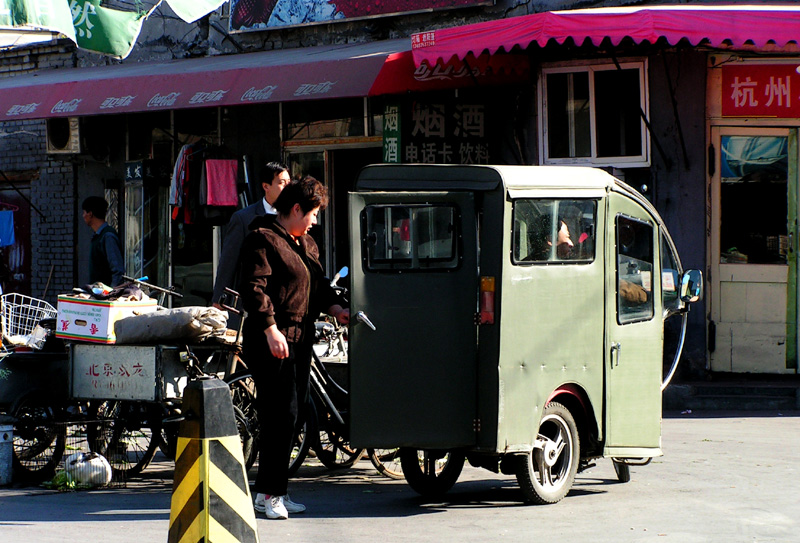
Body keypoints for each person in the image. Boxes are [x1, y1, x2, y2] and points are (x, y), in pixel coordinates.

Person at [240, 176, 349, 520]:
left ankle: (276, 492)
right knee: (279, 414)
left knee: (296, 413)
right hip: (272, 338)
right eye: (313, 213)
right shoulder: (263, 238)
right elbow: (254, 289)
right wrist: (270, 328)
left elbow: (318, 286)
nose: (315, 221)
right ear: (296, 208)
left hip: (300, 339)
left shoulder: (307, 244)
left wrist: (336, 309)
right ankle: (267, 493)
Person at [212, 161, 290, 310]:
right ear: (266, 186)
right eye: (282, 183)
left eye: (288, 182)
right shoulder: (244, 218)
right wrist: (218, 299)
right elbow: (229, 261)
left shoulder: (293, 216)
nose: (287, 187)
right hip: (253, 298)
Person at [82, 196, 125, 286]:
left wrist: (112, 294)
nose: (83, 216)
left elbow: (117, 270)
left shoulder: (107, 236)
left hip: (106, 295)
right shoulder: (98, 236)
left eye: (84, 212)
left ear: (90, 214)